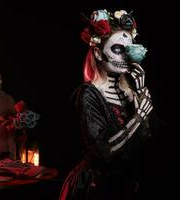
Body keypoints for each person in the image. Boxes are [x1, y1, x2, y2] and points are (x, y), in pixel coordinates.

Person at [60, 9, 153, 200]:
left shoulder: (130, 92)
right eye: (118, 49)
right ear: (98, 53)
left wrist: (141, 91)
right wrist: (138, 116)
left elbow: (144, 142)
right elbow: (102, 152)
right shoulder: (88, 94)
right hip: (94, 187)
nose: (126, 56)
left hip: (124, 185)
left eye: (129, 49)